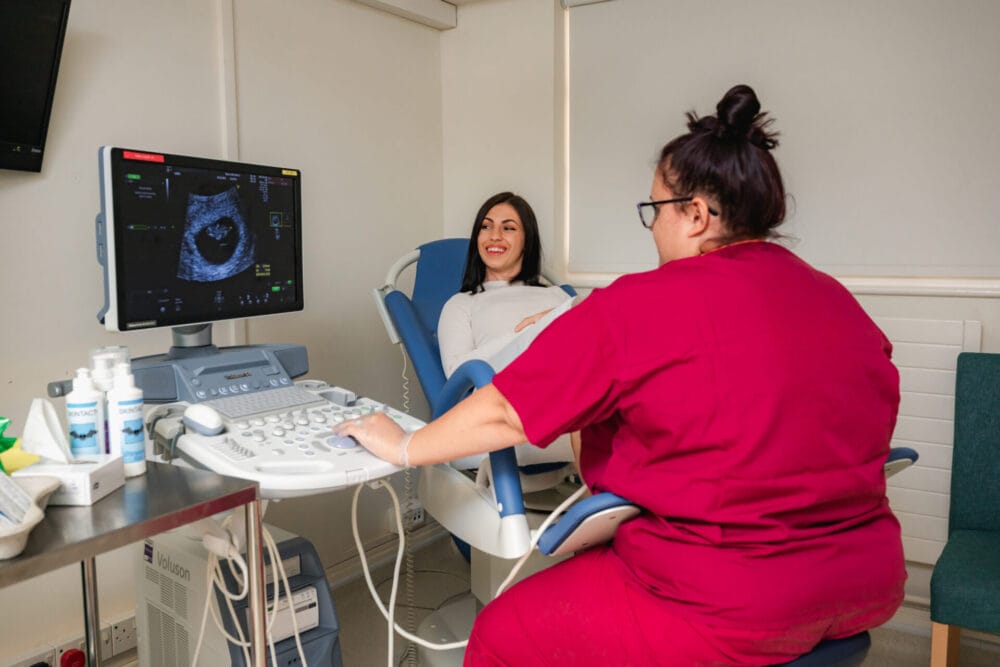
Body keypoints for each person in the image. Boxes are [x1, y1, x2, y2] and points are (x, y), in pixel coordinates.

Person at [338, 84, 905, 665]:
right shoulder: (837, 302)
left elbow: (507, 408)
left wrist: (406, 445)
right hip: (863, 583)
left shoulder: (634, 304)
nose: (652, 228)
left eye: (654, 210)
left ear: (696, 215)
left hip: (731, 600)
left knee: (502, 632)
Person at [437, 191, 573, 379]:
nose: (495, 236)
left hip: (575, 390)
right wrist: (534, 329)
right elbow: (458, 374)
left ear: (527, 240)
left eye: (508, 228)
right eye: (485, 227)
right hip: (512, 398)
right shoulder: (461, 304)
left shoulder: (558, 296)